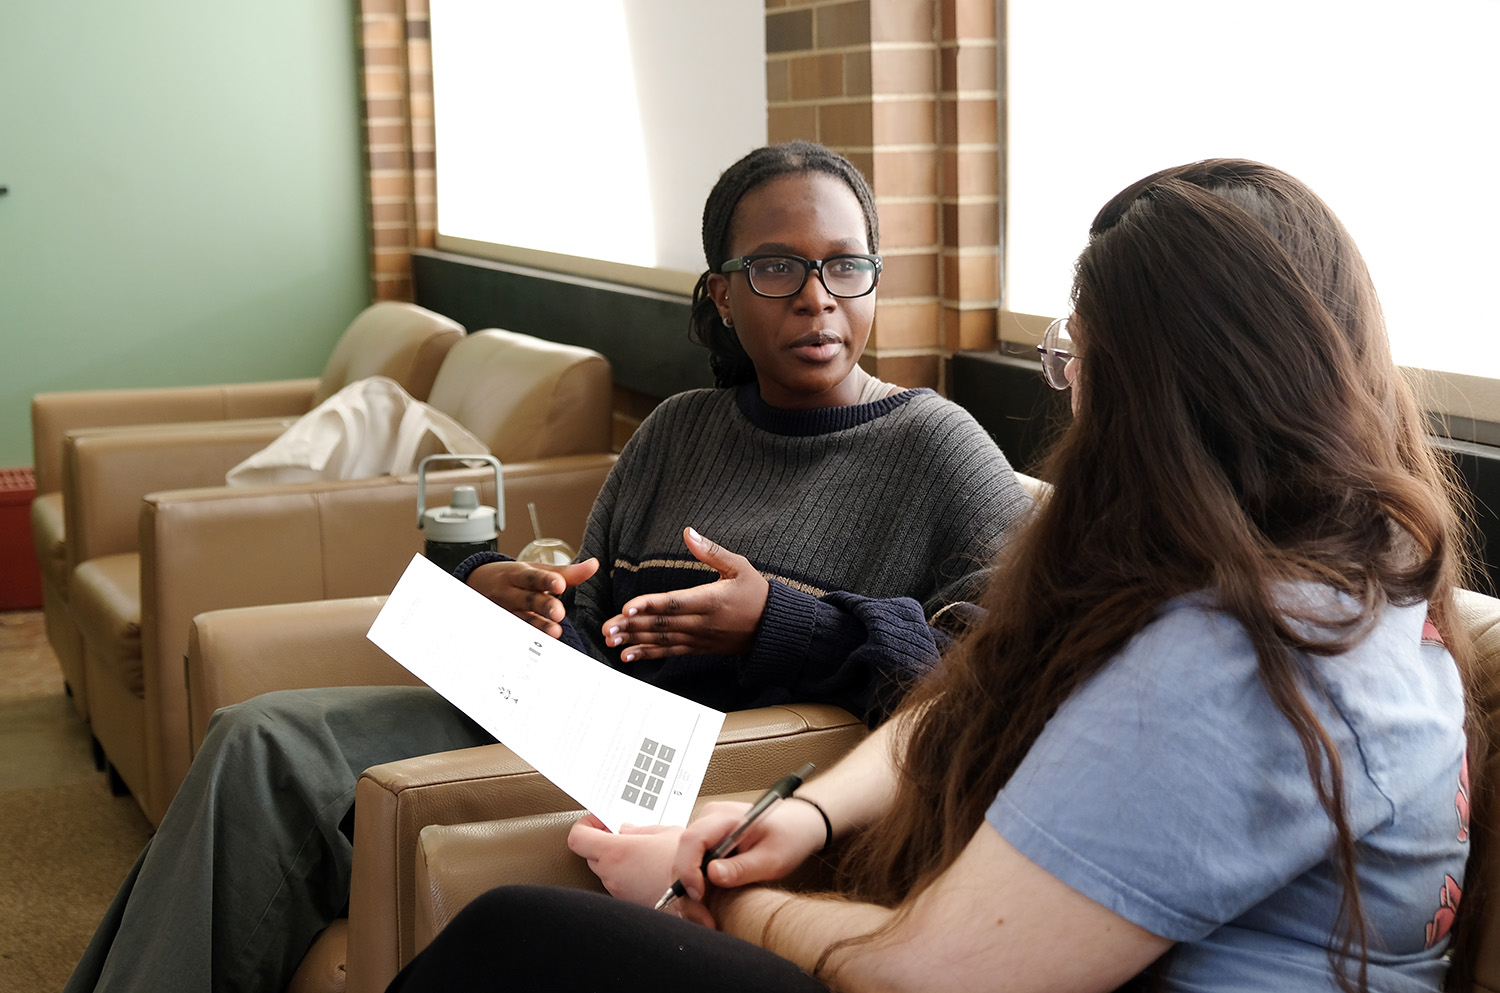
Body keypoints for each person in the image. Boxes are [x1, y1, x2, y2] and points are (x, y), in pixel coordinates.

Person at [385, 159, 1485, 993]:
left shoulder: (1240, 660)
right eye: (776, 270)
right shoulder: (1334, 565)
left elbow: (928, 973)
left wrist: (726, 894)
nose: (1068, 397)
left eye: (1076, 362)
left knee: (516, 937)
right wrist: (807, 817)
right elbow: (985, 684)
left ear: (1151, 397)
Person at [64, 141, 1031, 993]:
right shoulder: (679, 429)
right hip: (569, 713)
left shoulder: (937, 447)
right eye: (777, 267)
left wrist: (780, 620)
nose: (818, 296)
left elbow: (995, 674)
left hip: (697, 770)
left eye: (845, 267)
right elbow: (593, 601)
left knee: (271, 755)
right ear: (722, 293)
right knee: (249, 736)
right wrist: (506, 592)